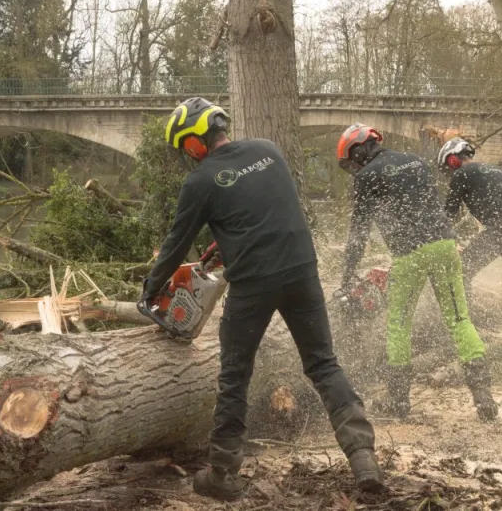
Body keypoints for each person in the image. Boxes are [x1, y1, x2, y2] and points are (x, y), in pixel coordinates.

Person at [141, 98, 384, 501]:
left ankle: (222, 473)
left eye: (186, 145)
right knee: (323, 364)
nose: (188, 154)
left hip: (254, 283)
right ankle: (363, 459)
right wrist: (226, 241)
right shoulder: (267, 151)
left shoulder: (200, 180)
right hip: (302, 268)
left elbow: (175, 243)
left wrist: (150, 290)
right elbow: (263, 208)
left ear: (196, 141)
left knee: (235, 374)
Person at [335, 123, 498, 422]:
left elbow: (358, 233)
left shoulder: (367, 176)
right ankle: (483, 397)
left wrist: (346, 278)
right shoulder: (415, 160)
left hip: (410, 254)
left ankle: (398, 401)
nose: (352, 168)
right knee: (459, 318)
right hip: (445, 245)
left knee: (399, 325)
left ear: (358, 150)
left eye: (350, 161)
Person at [438, 137, 502, 344]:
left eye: (448, 167)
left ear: (453, 160)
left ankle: (467, 326)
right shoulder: (495, 170)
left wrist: (443, 238)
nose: (450, 172)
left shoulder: (461, 174)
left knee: (461, 270)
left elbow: (448, 214)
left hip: (500, 229)